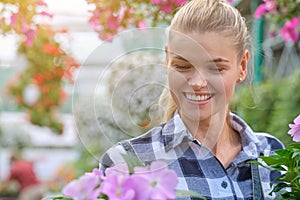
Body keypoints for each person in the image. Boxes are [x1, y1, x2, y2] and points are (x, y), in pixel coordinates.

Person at [100, 0, 284, 199]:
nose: (197, 82)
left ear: (242, 66)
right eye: (182, 66)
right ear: (167, 59)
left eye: (216, 68)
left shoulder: (271, 153)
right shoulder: (127, 161)